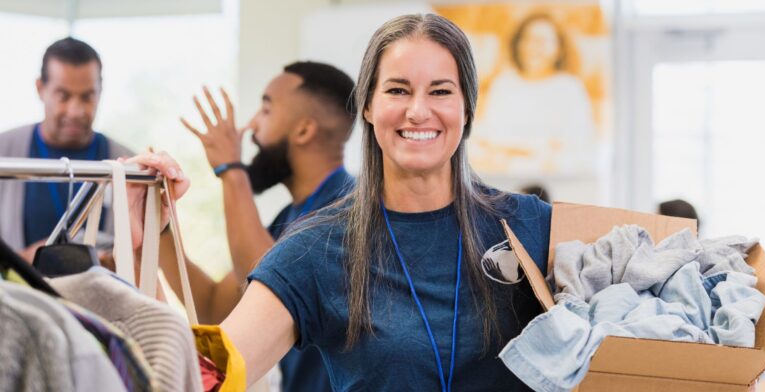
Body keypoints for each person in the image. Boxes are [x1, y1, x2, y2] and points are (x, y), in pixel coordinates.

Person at [131, 13, 552, 390]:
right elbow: (202, 377)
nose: (418, 111)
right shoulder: (317, 248)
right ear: (368, 106)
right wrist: (151, 230)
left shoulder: (530, 226)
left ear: (467, 108)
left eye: (440, 91)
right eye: (398, 90)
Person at [160, 62, 355, 392]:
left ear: (304, 131)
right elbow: (213, 307)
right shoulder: (289, 218)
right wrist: (160, 225)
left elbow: (277, 284)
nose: (251, 125)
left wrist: (231, 168)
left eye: (266, 109)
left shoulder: (349, 214)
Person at [0, 37, 133, 259]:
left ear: (100, 92)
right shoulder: (4, 153)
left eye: (87, 96)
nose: (75, 111)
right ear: (40, 89)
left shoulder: (128, 163)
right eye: (63, 96)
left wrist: (115, 263)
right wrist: (24, 261)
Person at [471, 12, 596, 175]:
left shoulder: (569, 87)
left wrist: (532, 151)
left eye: (542, 41)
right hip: (505, 172)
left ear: (559, 47)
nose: (533, 46)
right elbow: (491, 137)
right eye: (527, 39)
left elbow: (578, 145)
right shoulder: (505, 83)